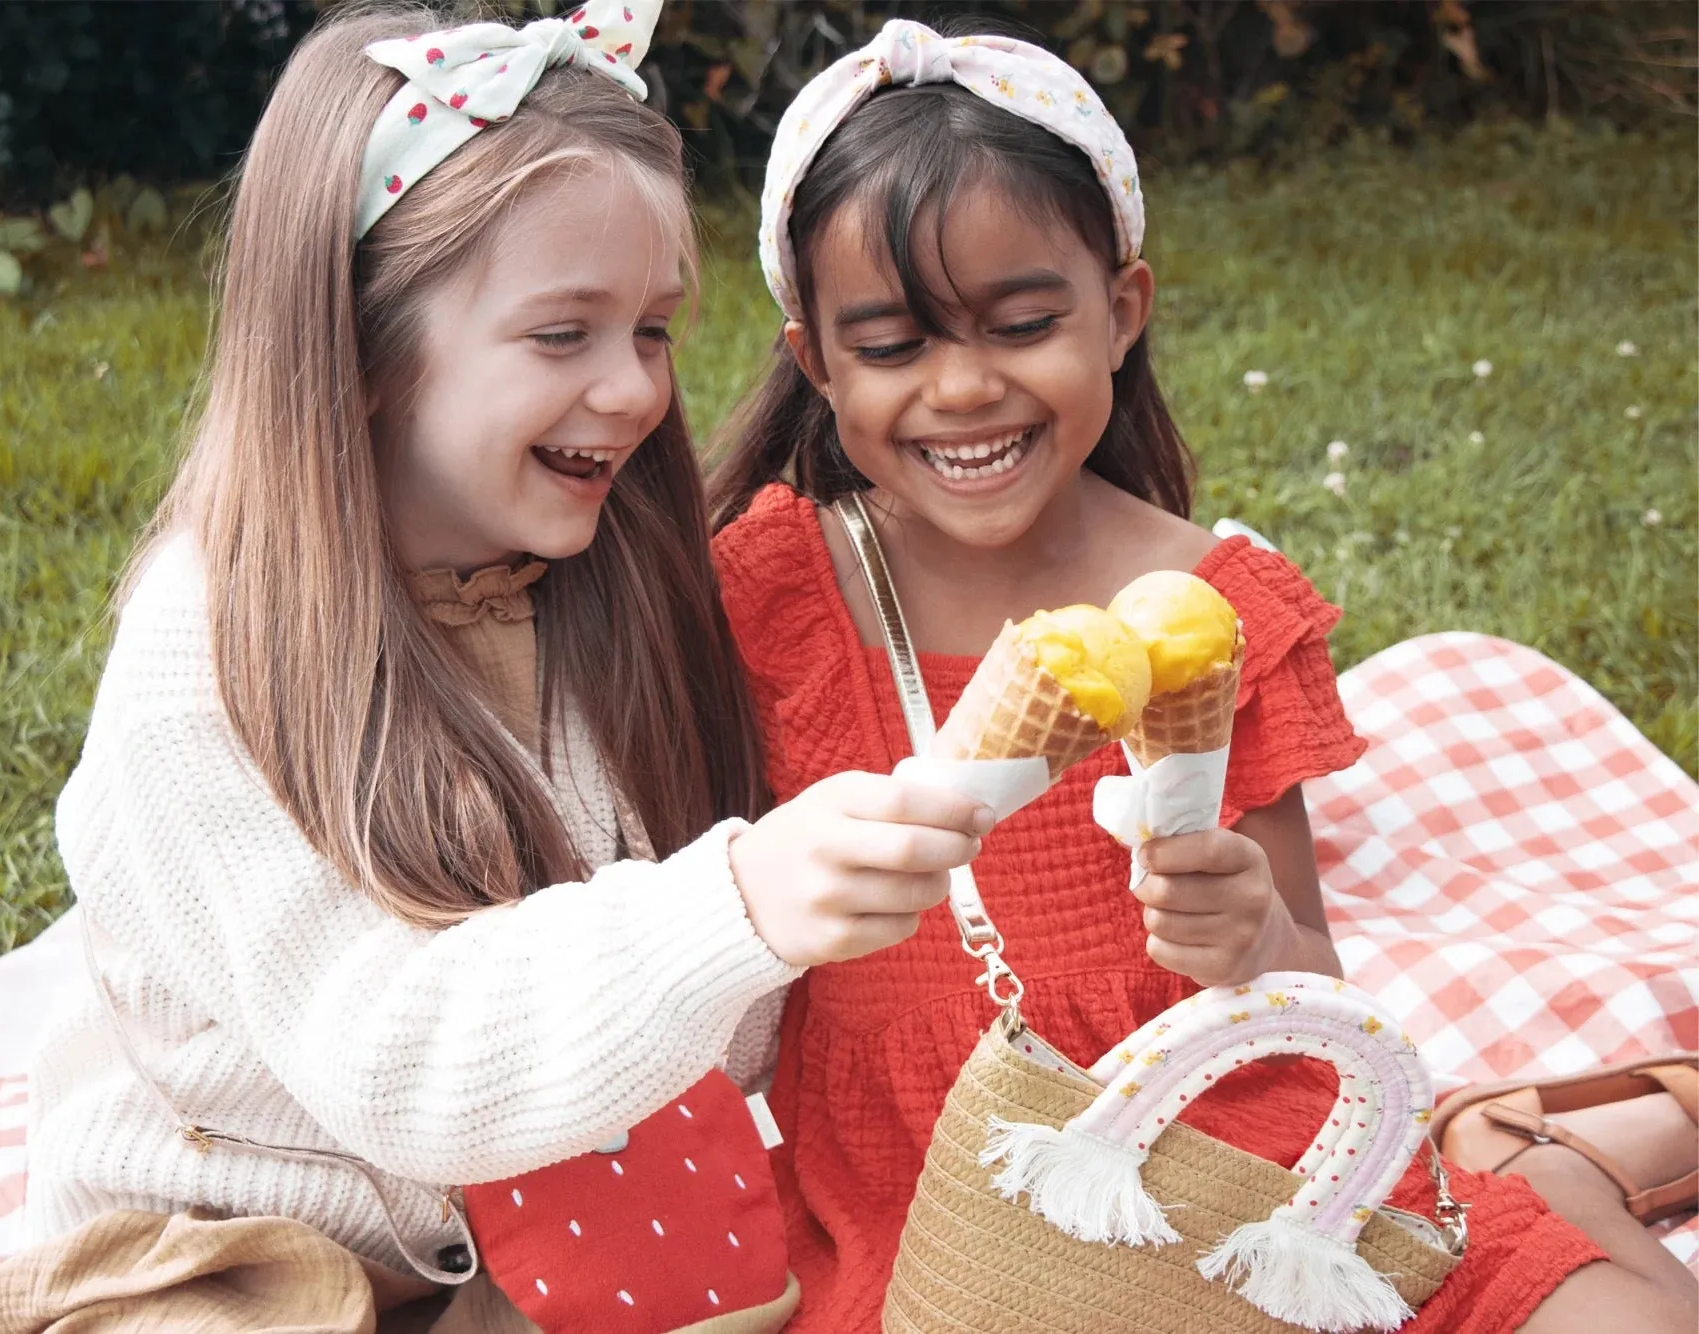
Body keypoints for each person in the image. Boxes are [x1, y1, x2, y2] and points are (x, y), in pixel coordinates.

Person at [0, 5, 993, 1329]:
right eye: (563, 335)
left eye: (654, 329)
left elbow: (707, 1039)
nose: (631, 390)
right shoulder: (202, 654)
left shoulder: (603, 583)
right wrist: (739, 897)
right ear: (368, 345)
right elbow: (396, 1059)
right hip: (214, 1248)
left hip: (518, 1236)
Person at [708, 19, 1698, 1333]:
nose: (964, 385)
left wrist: (1259, 935)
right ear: (816, 363)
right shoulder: (774, 592)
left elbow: (1307, 964)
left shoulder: (1220, 608)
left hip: (1229, 1129)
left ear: (1121, 313)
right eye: (893, 346)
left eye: (1022, 322)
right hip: (925, 1174)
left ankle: (1546, 1167)